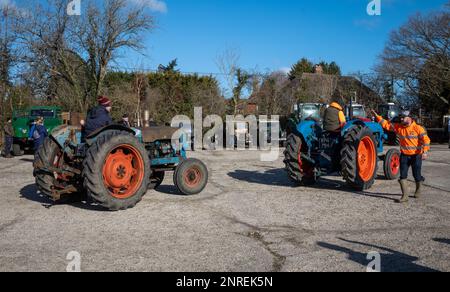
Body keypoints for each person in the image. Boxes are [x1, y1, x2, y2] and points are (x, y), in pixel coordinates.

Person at [372, 110, 431, 203]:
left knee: (417, 175)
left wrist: (425, 151)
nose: (401, 119)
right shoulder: (398, 127)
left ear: (410, 118)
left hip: (416, 156)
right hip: (404, 155)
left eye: (403, 117)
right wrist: (377, 116)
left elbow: (426, 140)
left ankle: (418, 189)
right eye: (401, 118)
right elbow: (387, 125)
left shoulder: (418, 128)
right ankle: (405, 196)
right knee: (402, 176)